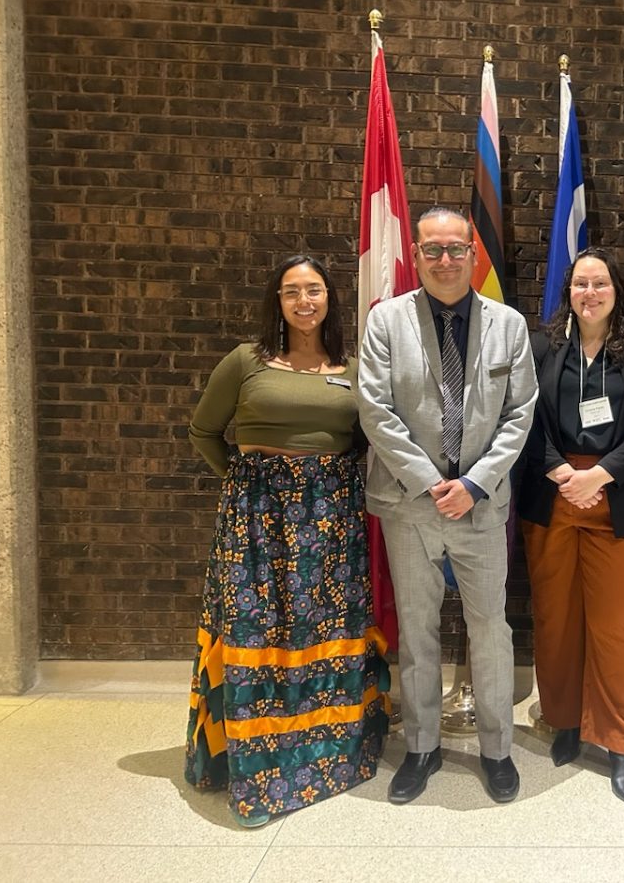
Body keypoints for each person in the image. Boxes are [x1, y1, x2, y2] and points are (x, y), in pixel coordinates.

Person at [185, 255, 390, 828]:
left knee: (327, 624)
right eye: (292, 292)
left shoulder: (351, 367)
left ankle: (330, 757)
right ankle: (258, 764)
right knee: (259, 627)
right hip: (257, 520)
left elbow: (366, 439)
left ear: (330, 298)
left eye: (315, 290)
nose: (305, 301)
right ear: (276, 301)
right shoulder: (246, 361)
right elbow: (204, 431)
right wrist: (247, 480)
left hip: (330, 518)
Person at [358, 207, 538, 805]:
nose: (444, 260)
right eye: (432, 250)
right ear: (416, 253)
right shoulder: (386, 320)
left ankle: (496, 749)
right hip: (410, 505)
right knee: (418, 629)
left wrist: (475, 483)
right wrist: (429, 481)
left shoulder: (508, 325)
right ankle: (422, 746)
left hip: (481, 506)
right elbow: (375, 410)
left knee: (490, 629)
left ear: (472, 254)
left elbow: (519, 414)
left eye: (455, 249)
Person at [518, 248, 624, 804]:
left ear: (615, 291)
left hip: (612, 499)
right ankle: (567, 722)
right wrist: (559, 470)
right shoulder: (542, 347)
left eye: (600, 283)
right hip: (553, 496)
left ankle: (621, 742)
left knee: (614, 625)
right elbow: (523, 415)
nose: (590, 293)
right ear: (569, 292)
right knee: (556, 618)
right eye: (581, 283)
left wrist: (599, 474)